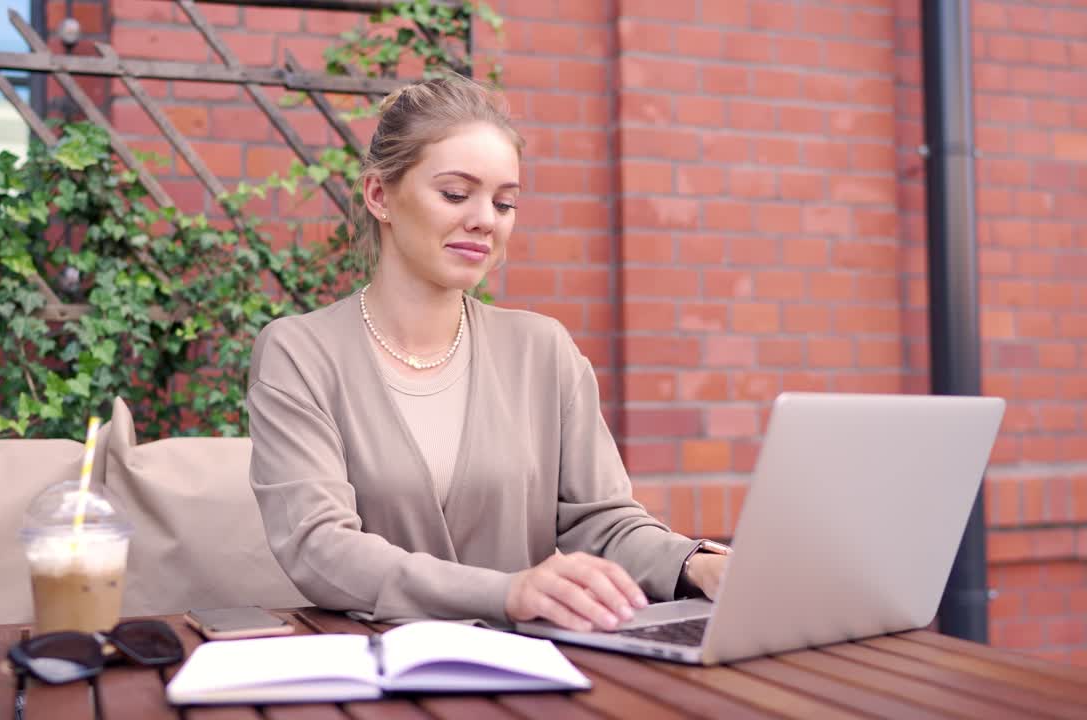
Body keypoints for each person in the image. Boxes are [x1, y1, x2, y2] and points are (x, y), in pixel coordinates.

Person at [247, 74, 728, 633]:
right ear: (380, 196)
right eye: (456, 194)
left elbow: (603, 524)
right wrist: (506, 592)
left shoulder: (543, 351)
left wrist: (697, 564)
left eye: (504, 202)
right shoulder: (300, 354)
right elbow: (318, 546)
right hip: (377, 675)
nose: (485, 219)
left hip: (535, 674)